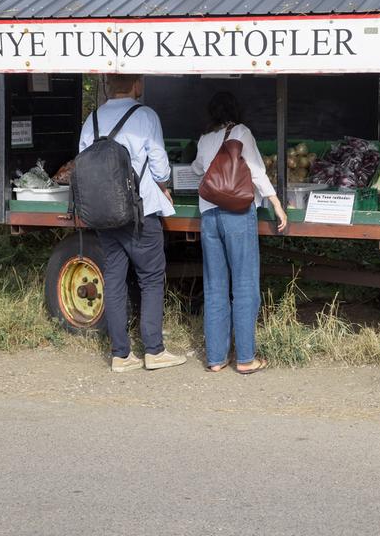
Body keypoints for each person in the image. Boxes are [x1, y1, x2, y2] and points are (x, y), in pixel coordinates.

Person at [79, 74, 186, 373]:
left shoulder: (93, 119)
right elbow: (159, 163)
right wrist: (164, 185)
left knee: (114, 278)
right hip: (140, 212)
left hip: (104, 212)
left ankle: (121, 355)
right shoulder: (145, 116)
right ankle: (154, 350)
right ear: (137, 85)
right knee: (150, 278)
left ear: (109, 87)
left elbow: (82, 162)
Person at [192, 91, 288, 374]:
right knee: (244, 284)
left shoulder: (205, 138)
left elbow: (198, 168)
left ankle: (216, 358)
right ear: (236, 110)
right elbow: (257, 171)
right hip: (237, 214)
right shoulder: (241, 132)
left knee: (214, 286)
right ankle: (245, 358)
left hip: (209, 215)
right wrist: (276, 204)